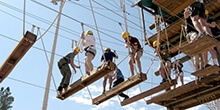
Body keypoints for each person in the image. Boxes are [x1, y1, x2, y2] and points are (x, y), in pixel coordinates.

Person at [184, 6, 204, 71]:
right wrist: (187, 9)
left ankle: (201, 68)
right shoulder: (189, 17)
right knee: (195, 35)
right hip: (191, 33)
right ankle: (197, 68)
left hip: (197, 34)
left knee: (201, 53)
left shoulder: (197, 18)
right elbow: (186, 14)